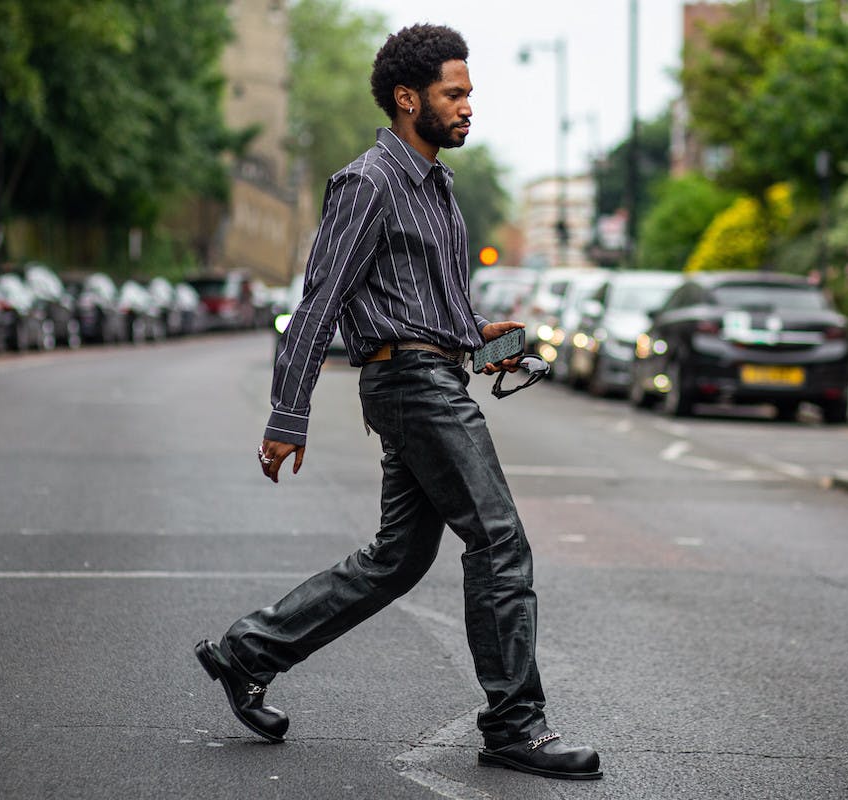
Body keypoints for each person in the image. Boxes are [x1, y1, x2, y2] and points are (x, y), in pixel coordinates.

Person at [194, 23, 601, 781]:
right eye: (455, 92)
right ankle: (515, 724)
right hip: (411, 387)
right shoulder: (368, 183)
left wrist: (475, 332)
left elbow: (417, 305)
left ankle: (246, 652)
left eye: (470, 92)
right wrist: (288, 416)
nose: (468, 105)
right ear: (408, 99)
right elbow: (319, 304)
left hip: (434, 374)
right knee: (499, 537)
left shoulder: (438, 187)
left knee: (397, 560)